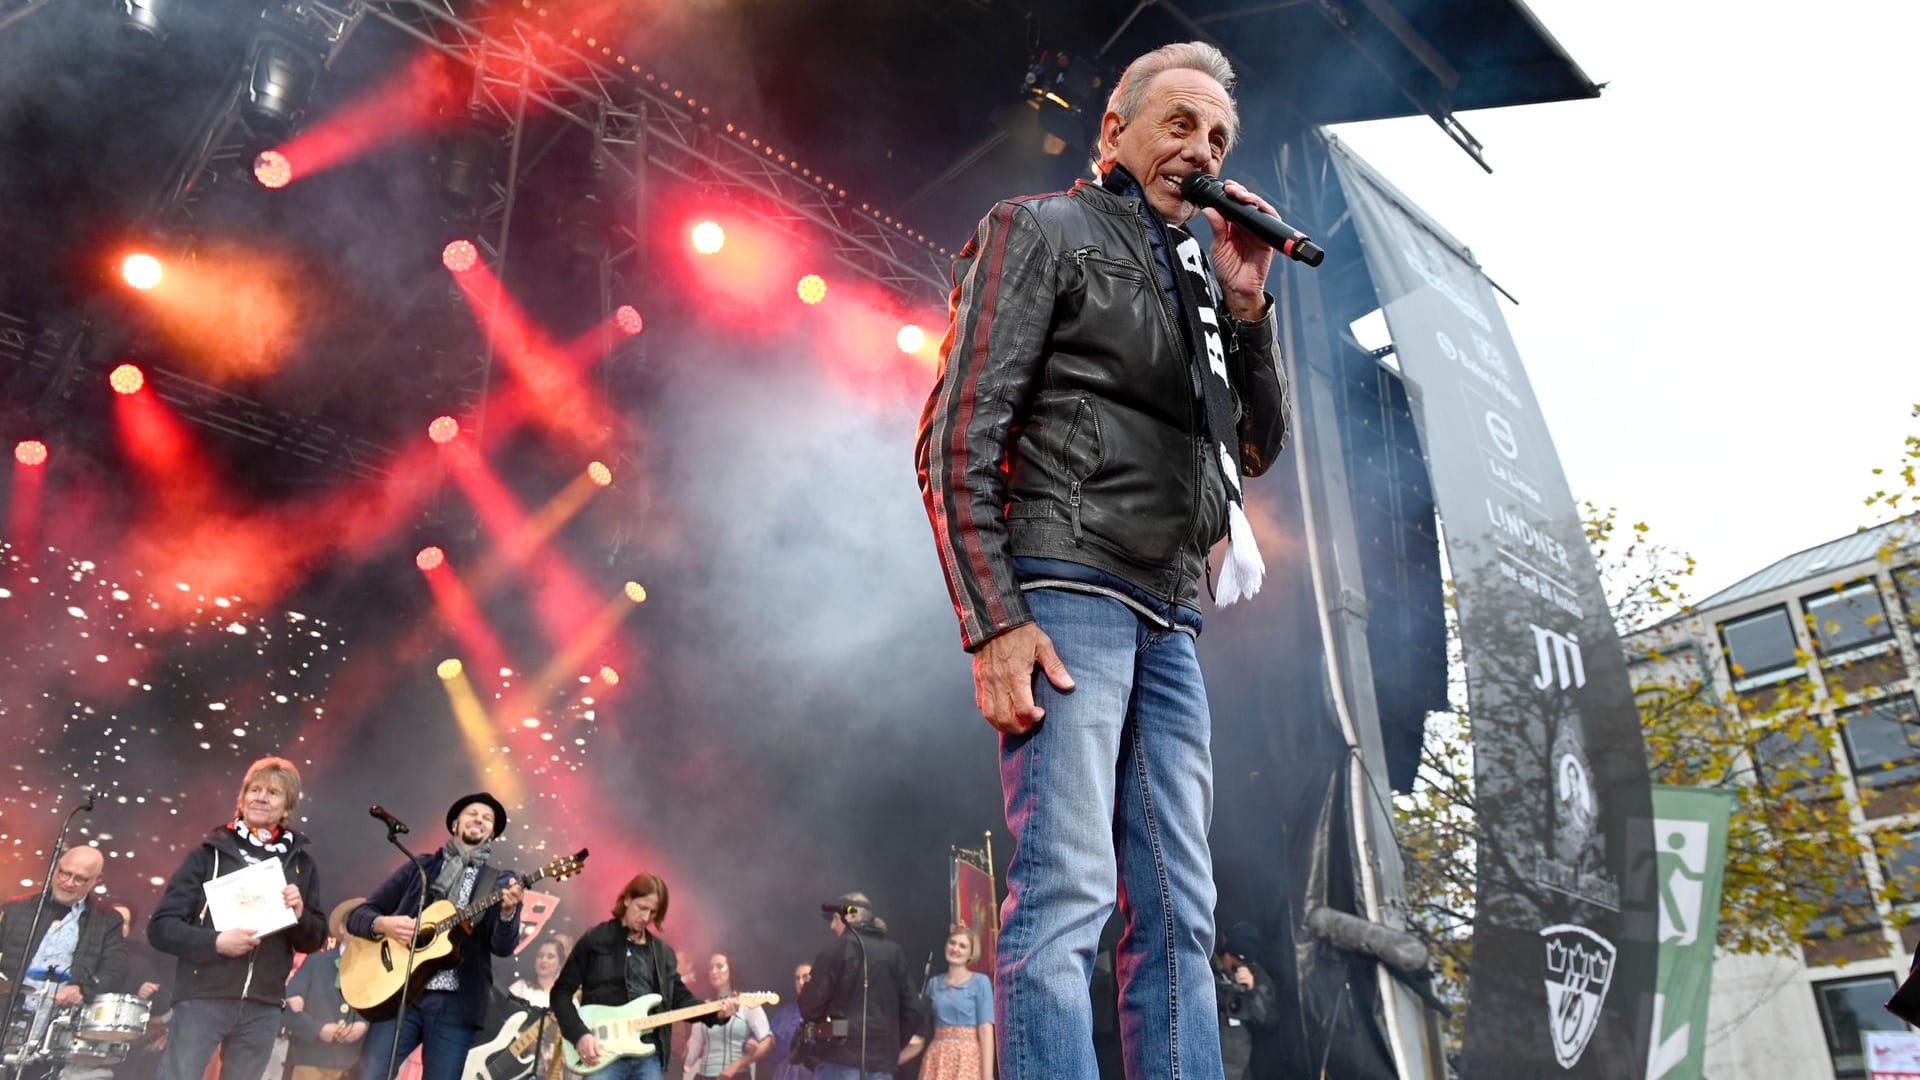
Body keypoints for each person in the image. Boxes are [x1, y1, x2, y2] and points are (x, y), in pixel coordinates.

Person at [914, 38, 1291, 1080]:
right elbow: (956, 437)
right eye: (1178, 123)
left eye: (1217, 134)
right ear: (1114, 130)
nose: (1200, 147)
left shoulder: (1208, 289)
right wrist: (993, 617)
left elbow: (1253, 448)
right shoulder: (1043, 230)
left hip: (1170, 615)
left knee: (1181, 906)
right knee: (1070, 883)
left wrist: (1250, 308)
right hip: (1068, 583)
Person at [149, 757, 328, 1080]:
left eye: (273, 792)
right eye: (254, 789)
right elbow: (161, 928)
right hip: (203, 997)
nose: (261, 797)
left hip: (264, 1005)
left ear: (288, 807)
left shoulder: (302, 864)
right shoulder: (207, 855)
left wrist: (299, 915)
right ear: (241, 798)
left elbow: (314, 940)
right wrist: (215, 942)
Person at [348, 793, 525, 1080]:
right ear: (455, 823)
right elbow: (357, 916)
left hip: (456, 1005)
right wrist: (385, 925)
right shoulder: (421, 867)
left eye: (487, 818)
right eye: (472, 813)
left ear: (492, 834)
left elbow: (502, 948)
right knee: (370, 1075)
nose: (479, 819)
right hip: (400, 992)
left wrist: (507, 913)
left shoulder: (500, 882)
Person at [551, 873, 733, 1080]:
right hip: (602, 1052)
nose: (646, 918)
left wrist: (716, 1014)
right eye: (642, 908)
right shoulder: (595, 939)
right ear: (627, 899)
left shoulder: (662, 953)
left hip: (647, 1054)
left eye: (653, 912)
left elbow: (680, 999)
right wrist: (579, 1035)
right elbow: (560, 993)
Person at [0, 847, 130, 1080]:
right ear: (54, 868)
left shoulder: (107, 920)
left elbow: (116, 969)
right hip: (7, 1015)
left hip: (59, 1029)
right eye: (63, 873)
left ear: (96, 881)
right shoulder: (15, 909)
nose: (68, 882)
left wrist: (83, 989)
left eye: (80, 879)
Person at [796, 895, 925, 1080]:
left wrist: (828, 1031)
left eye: (835, 919)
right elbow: (913, 1010)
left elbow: (809, 1006)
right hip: (881, 1064)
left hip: (838, 1061)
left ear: (851, 916)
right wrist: (890, 1044)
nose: (832, 926)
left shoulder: (835, 951)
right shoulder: (894, 953)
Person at [283, 901, 369, 1080]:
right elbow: (287, 1009)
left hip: (354, 1067)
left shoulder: (378, 972)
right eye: (356, 926)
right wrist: (318, 1029)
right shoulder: (315, 962)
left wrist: (364, 1025)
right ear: (342, 928)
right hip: (310, 1061)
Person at [917, 927, 991, 1080]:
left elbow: (985, 1029)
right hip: (938, 1055)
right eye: (952, 943)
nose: (955, 948)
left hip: (967, 1056)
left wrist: (988, 1074)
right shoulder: (933, 983)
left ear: (971, 954)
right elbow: (923, 1025)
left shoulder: (980, 982)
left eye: (962, 946)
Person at [681, 954, 770, 1079]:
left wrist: (741, 1061)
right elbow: (695, 1044)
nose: (713, 971)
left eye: (719, 966)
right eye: (711, 967)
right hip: (704, 1076)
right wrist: (684, 1065)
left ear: (731, 969)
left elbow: (767, 1039)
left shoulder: (748, 1001)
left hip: (737, 1075)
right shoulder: (704, 1006)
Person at [1211, 924, 1275, 1080]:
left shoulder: (1257, 977)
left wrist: (1253, 991)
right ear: (1226, 953)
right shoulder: (1208, 969)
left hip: (1240, 1069)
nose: (1236, 969)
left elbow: (1269, 1020)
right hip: (1210, 1061)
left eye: (1242, 965)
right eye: (1234, 963)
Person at [763, 964, 812, 1080]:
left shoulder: (828, 1011)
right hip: (785, 1074)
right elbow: (769, 1046)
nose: (800, 982)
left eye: (805, 977)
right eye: (797, 978)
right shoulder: (784, 1013)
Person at [507, 936, 572, 1010]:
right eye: (540, 956)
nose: (543, 960)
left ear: (560, 963)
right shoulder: (520, 987)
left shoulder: (568, 995)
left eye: (550, 957)